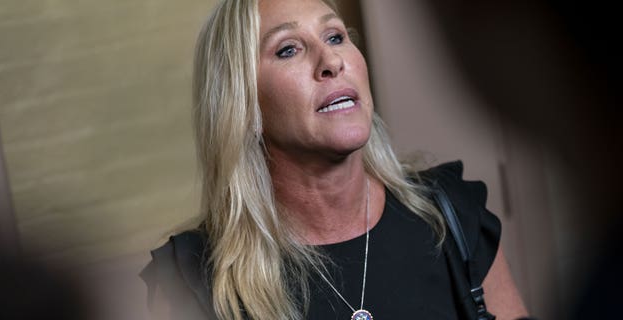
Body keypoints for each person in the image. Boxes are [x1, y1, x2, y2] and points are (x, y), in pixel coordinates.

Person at [141, 0, 530, 319]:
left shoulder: (452, 215)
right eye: (288, 48)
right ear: (243, 108)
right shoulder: (191, 279)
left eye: (336, 36)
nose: (331, 60)